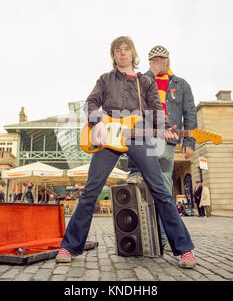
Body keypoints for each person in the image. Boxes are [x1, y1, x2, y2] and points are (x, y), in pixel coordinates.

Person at [55, 36, 196, 269]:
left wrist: (164, 130)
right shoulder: (105, 79)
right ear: (114, 56)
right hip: (108, 140)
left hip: (139, 138)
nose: (122, 54)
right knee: (90, 191)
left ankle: (184, 249)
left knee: (161, 190)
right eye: (118, 50)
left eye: (126, 49)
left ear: (133, 54)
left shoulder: (146, 82)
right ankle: (68, 246)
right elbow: (90, 103)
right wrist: (98, 122)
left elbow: (157, 111)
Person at [127, 45, 197, 251]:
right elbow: (130, 96)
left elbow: (189, 112)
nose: (159, 62)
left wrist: (189, 142)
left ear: (168, 61)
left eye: (162, 59)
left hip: (168, 140)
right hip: (144, 139)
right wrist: (151, 73)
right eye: (154, 59)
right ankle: (140, 236)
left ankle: (166, 239)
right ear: (149, 62)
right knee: (140, 188)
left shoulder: (181, 84)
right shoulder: (142, 80)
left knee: (164, 190)